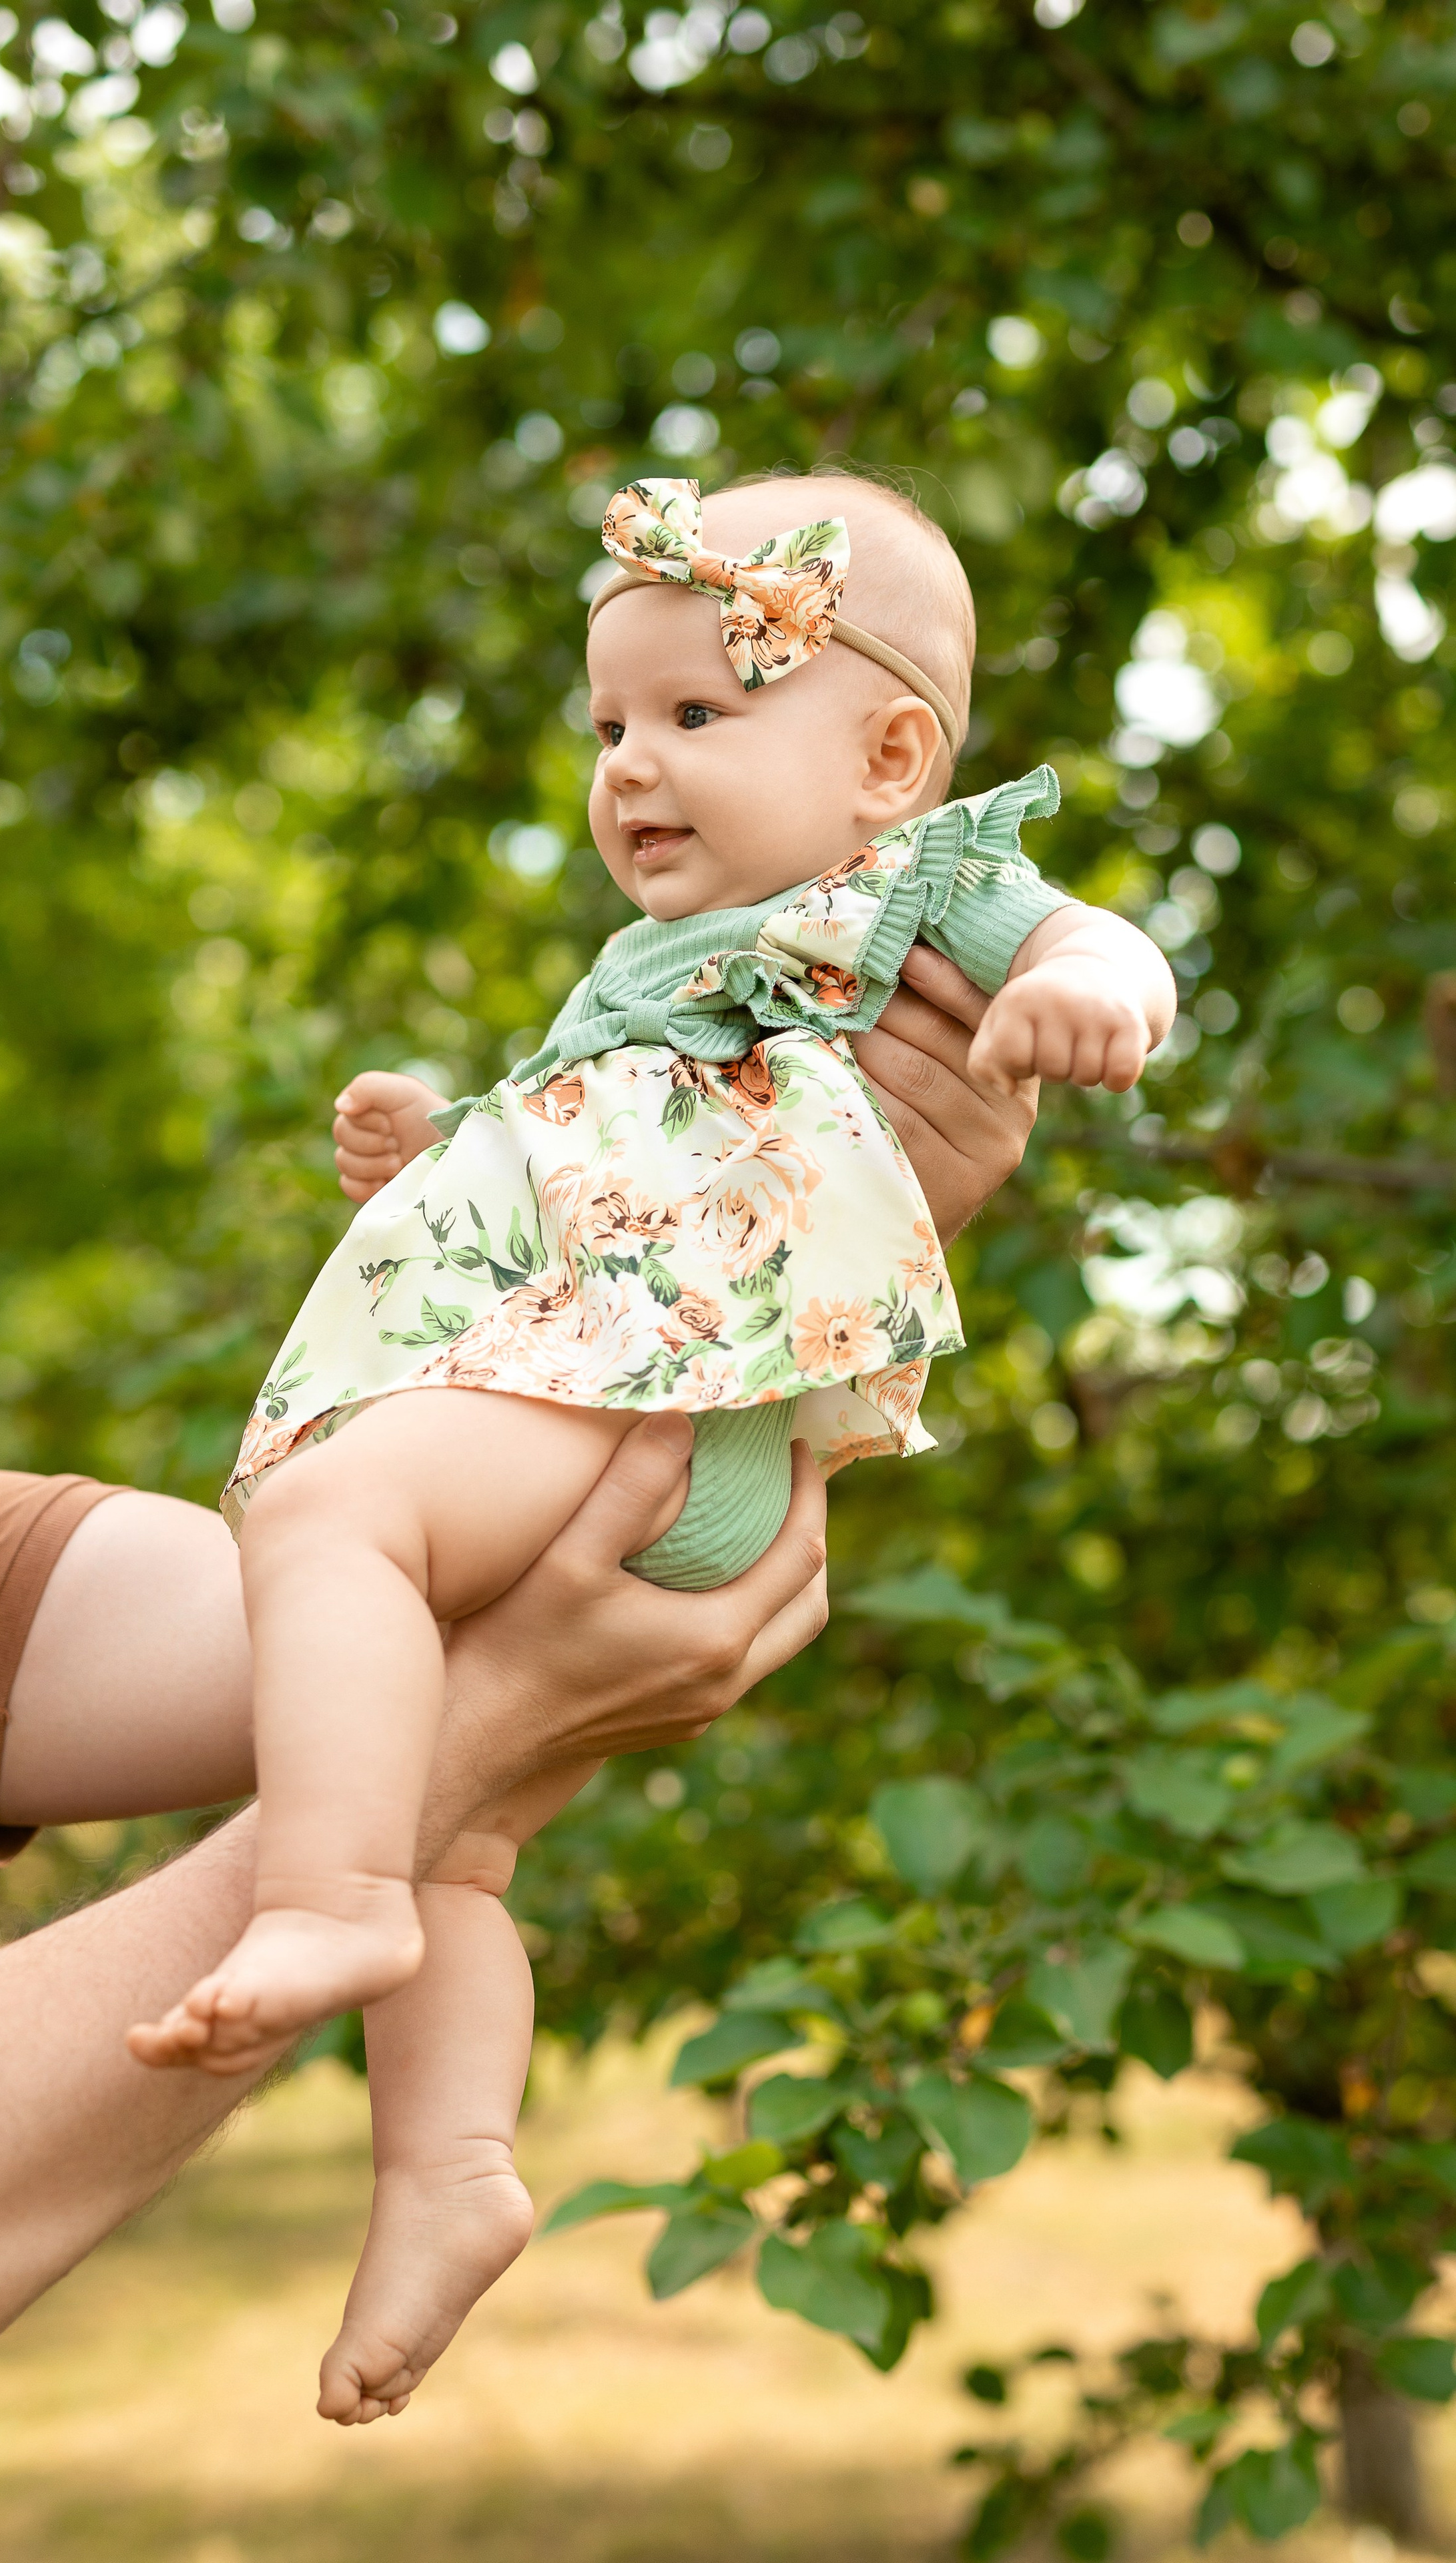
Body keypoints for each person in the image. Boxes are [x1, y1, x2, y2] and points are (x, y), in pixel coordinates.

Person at [0, 942, 1034, 2563]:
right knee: (436, 1802)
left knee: (373, 1653)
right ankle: (449, 2149)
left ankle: (455, 2154)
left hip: (675, 1364)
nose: (637, 764)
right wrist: (457, 1758)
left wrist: (825, 1215)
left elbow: (383, 1625)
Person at [128, 471, 1177, 2427]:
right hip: (620, 1386)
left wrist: (1081, 995)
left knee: (335, 1514)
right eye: (609, 726)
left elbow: (1114, 940)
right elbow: (608, 1149)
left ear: (888, 755)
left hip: (659, 1408)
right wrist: (440, 1140)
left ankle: (325, 1889)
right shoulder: (651, 980)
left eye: (697, 715)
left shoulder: (917, 887)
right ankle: (447, 2172)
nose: (631, 767)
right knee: (480, 1835)